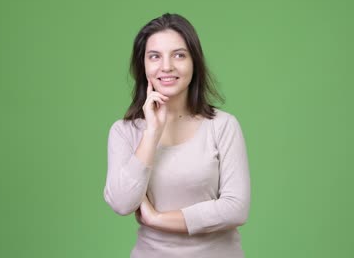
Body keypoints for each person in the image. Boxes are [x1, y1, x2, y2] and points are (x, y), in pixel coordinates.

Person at [104, 13, 251, 258]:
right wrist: (152, 133)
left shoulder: (223, 126)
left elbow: (236, 209)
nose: (167, 66)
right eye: (155, 57)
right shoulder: (124, 132)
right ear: (143, 65)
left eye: (179, 55)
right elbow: (121, 203)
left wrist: (157, 219)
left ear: (194, 62)